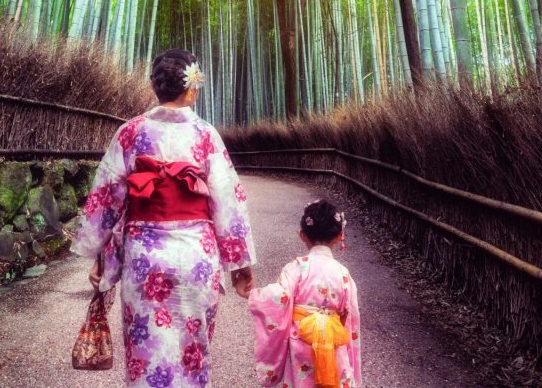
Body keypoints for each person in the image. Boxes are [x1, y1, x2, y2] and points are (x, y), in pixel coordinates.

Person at [72, 48, 256, 387]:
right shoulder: (205, 135)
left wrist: (100, 257)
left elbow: (107, 198)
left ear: (153, 86)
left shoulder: (130, 133)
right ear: (191, 88)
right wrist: (239, 264)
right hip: (194, 258)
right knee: (192, 350)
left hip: (145, 259)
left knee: (146, 352)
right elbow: (228, 202)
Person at [240, 200, 361, 388]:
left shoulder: (297, 267)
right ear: (340, 236)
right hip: (333, 342)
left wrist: (251, 295)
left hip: (303, 341)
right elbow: (350, 318)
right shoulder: (344, 274)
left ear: (302, 235)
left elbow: (279, 297)